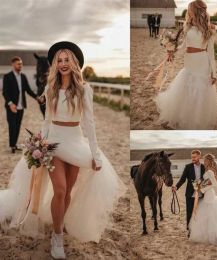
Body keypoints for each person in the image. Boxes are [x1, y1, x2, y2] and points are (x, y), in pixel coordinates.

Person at [0, 41, 125, 259]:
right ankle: (57, 237)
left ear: (75, 63)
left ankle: (60, 219)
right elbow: (47, 121)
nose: (64, 63)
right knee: (60, 188)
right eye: (60, 60)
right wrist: (39, 144)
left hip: (76, 143)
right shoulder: (50, 88)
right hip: (54, 144)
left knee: (68, 192)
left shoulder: (85, 90)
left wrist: (95, 154)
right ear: (55, 64)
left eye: (67, 60)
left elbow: (89, 124)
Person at [155, 0, 217, 129]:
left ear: (195, 10)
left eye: (190, 9)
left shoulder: (209, 29)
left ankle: (195, 119)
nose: (188, 11)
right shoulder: (187, 26)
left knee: (200, 89)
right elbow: (183, 45)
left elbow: (211, 53)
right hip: (189, 60)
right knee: (186, 86)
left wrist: (214, 73)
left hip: (202, 61)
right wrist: (172, 52)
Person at [2, 56, 40, 153]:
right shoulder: (7, 76)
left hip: (21, 107)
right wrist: (10, 104)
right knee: (12, 126)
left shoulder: (23, 77)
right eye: (19, 64)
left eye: (21, 64)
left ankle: (14, 145)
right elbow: (5, 92)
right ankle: (12, 145)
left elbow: (28, 90)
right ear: (13, 64)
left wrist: (36, 97)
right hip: (11, 107)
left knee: (17, 126)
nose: (20, 65)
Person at [172, 150, 205, 237]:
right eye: (192, 157)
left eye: (194, 157)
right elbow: (182, 179)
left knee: (200, 212)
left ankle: (199, 230)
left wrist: (202, 185)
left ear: (199, 157)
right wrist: (176, 187)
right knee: (189, 212)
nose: (193, 159)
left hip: (201, 194)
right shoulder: (188, 167)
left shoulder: (204, 167)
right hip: (190, 194)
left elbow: (206, 179)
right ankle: (190, 230)